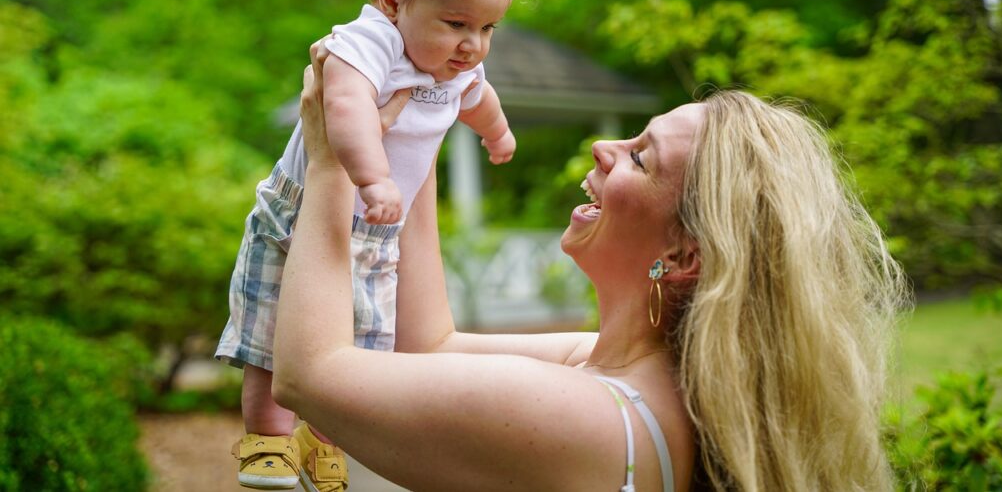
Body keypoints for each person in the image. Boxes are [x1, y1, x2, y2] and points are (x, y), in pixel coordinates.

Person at [270, 44, 908, 491]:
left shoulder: (589, 417)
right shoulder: (629, 371)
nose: (606, 149)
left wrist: (331, 161)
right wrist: (421, 122)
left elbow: (308, 375)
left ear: (685, 255)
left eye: (641, 159)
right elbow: (427, 345)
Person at [215, 0, 525, 491]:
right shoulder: (370, 41)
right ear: (392, 0)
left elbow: (478, 99)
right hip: (303, 212)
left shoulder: (457, 65)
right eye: (457, 23)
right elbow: (345, 104)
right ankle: (269, 441)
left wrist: (498, 133)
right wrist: (374, 175)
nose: (474, 45)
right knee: (270, 335)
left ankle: (323, 440)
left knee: (360, 348)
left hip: (376, 230)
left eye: (488, 27)